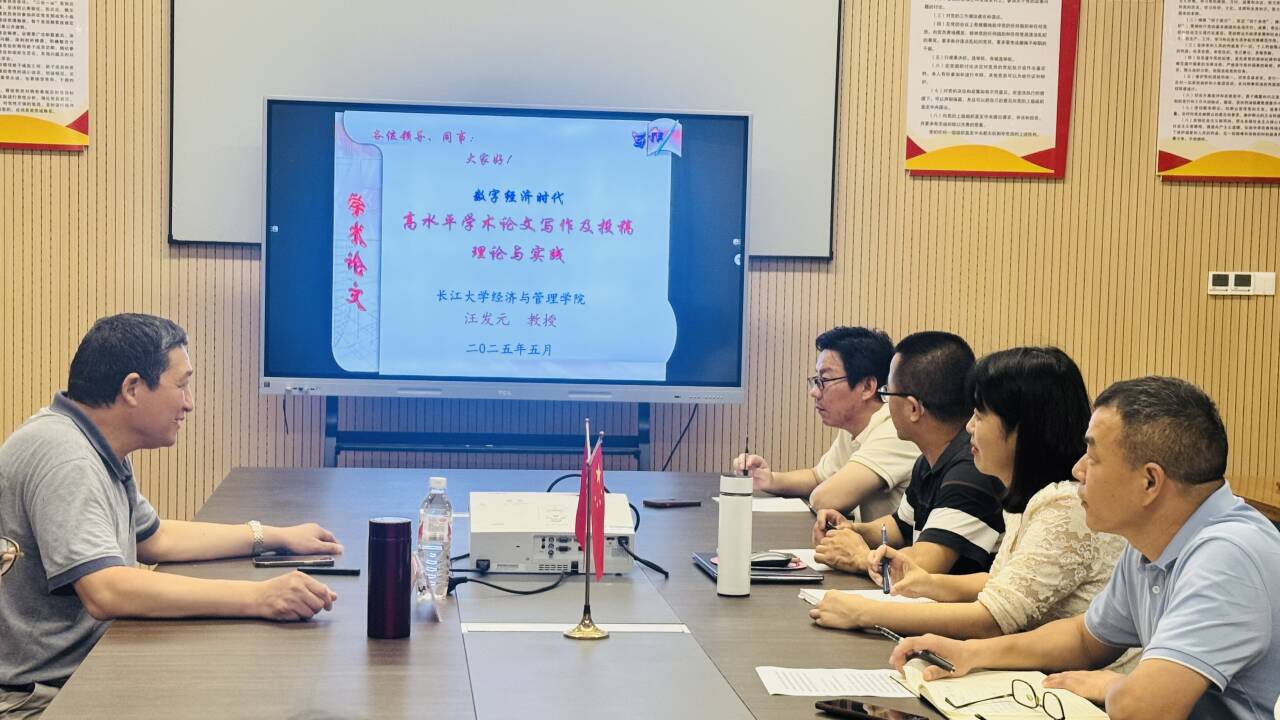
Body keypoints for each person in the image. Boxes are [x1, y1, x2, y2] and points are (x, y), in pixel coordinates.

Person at [0, 314, 344, 718]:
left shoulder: (89, 440)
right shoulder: (67, 458)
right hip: (40, 699)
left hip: (84, 670)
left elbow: (154, 538)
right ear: (132, 388)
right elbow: (106, 590)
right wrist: (258, 597)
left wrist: (273, 536)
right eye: (181, 385)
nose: (189, 403)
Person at [890, 377, 1280, 719]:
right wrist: (973, 653)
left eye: (1092, 457)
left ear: (1150, 482)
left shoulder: (1228, 557)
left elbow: (1146, 709)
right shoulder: (1152, 541)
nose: (1078, 470)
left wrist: (1110, 685)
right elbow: (1086, 639)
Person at [809, 348, 1129, 662]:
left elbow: (992, 619)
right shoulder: (1030, 497)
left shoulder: (1065, 507)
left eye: (980, 415)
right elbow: (1004, 583)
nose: (969, 427)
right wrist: (928, 583)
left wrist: (865, 612)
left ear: (1022, 428)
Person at [813, 332, 1004, 576]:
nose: (884, 403)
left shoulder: (972, 467)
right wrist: (851, 530)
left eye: (886, 393)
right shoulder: (929, 459)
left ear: (913, 408)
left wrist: (860, 557)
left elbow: (925, 565)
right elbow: (900, 527)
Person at [733, 327, 919, 520]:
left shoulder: (895, 431)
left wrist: (819, 494)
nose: (814, 392)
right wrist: (769, 479)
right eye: (816, 380)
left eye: (825, 380)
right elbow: (818, 477)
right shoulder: (854, 428)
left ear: (867, 387)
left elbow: (825, 499)